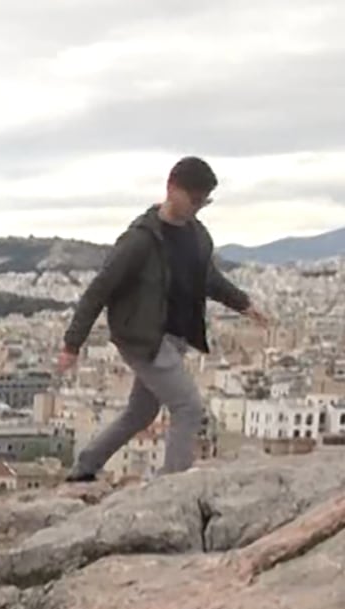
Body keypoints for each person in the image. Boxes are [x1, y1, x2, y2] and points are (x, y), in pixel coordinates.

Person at [60, 156, 271, 481]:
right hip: (144, 337)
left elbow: (207, 278)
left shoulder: (197, 235)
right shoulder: (140, 240)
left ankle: (85, 466)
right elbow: (99, 290)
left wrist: (242, 303)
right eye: (194, 200)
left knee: (141, 412)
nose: (197, 208)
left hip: (174, 338)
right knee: (188, 407)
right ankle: (172, 483)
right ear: (172, 189)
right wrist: (72, 345)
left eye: (204, 202)